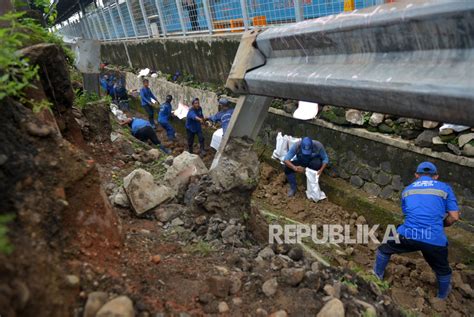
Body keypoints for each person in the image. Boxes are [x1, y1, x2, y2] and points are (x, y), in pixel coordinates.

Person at [373, 162, 459, 300]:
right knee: (443, 270)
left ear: (416, 175)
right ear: (436, 176)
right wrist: (439, 225)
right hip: (434, 240)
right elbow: (454, 217)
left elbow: (408, 214)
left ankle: (376, 276)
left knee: (384, 249)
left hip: (408, 234)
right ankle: (441, 298)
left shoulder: (407, 190)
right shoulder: (445, 188)